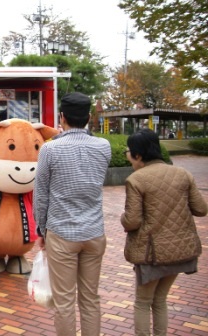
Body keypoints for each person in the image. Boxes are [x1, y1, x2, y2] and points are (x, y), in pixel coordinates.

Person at [33, 92, 112, 336]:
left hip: (62, 232)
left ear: (62, 117)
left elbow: (41, 195)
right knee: (90, 299)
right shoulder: (104, 146)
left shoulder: (50, 149)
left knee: (64, 302)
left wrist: (41, 229)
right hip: (94, 232)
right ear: (89, 117)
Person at [120, 128, 207, 336]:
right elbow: (201, 209)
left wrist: (122, 218)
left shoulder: (136, 179)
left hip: (151, 254)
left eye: (129, 151)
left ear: (138, 155)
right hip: (179, 251)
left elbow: (132, 221)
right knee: (159, 301)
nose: (128, 155)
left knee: (142, 302)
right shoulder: (183, 174)